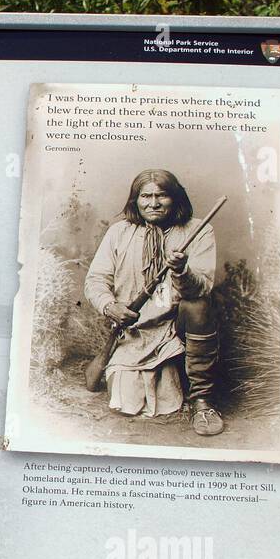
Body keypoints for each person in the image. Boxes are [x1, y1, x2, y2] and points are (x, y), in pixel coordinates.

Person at [82, 169, 224, 436]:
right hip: (133, 331)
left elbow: (201, 287)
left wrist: (182, 271)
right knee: (128, 403)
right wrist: (111, 307)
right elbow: (96, 280)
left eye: (162, 195)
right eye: (146, 196)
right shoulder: (119, 232)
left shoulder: (199, 230)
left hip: (178, 325)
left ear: (176, 198)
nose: (153, 203)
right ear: (135, 200)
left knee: (199, 305)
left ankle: (202, 400)